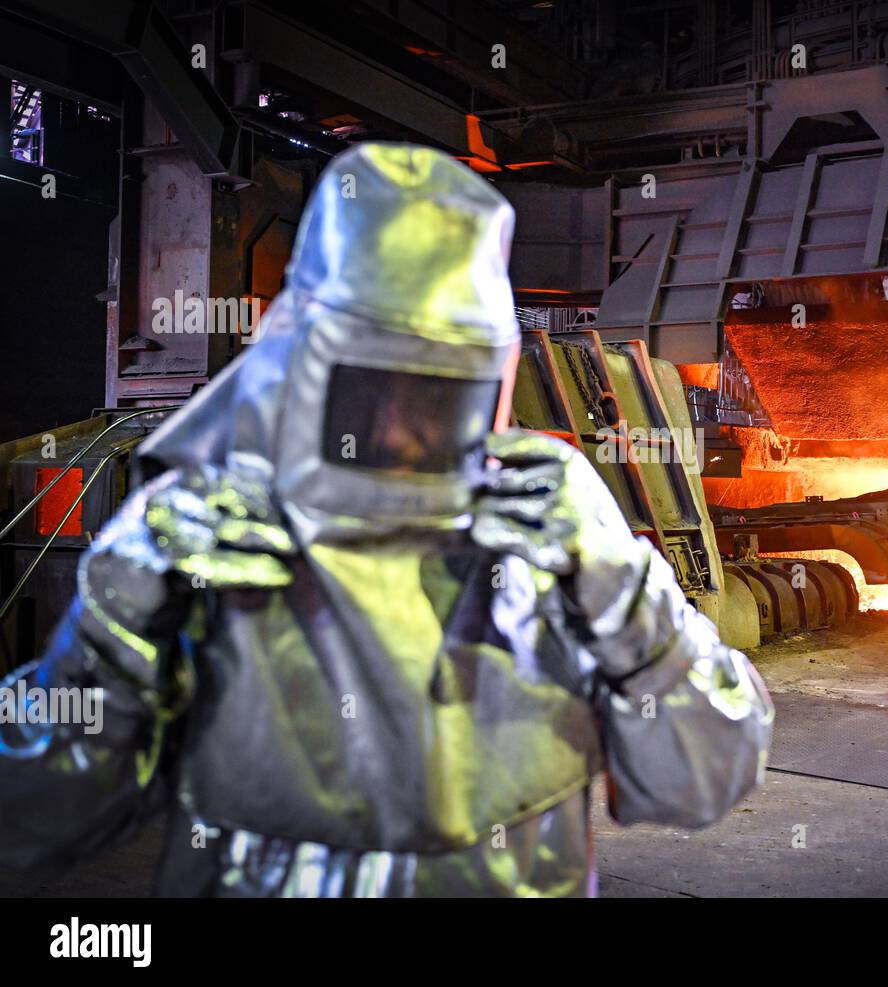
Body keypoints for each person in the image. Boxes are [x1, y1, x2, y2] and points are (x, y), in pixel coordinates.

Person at [0, 143, 773, 897]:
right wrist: (114, 640)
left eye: (438, 390)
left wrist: (629, 605)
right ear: (308, 363)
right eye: (378, 384)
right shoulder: (208, 546)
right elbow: (36, 816)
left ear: (491, 382)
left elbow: (704, 779)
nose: (406, 430)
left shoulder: (544, 544)